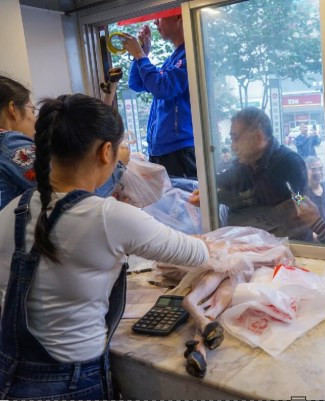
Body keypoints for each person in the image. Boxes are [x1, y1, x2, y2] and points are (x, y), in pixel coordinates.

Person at [0, 94, 209, 399]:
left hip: (12, 379)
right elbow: (198, 254)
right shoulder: (108, 216)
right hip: (72, 382)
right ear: (106, 151)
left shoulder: (11, 211)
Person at [0, 75, 128, 210]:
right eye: (32, 110)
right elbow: (70, 197)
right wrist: (118, 163)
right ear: (13, 109)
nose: (34, 119)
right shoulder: (10, 144)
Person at [216, 107, 312, 240]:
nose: (233, 147)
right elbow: (219, 182)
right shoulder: (244, 164)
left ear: (259, 137)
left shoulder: (289, 162)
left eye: (236, 139)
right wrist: (207, 193)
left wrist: (296, 199)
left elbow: (303, 202)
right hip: (248, 243)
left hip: (288, 246)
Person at [122, 9, 196, 178]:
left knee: (185, 201)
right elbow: (137, 83)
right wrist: (143, 53)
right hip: (162, 149)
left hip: (180, 149)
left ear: (179, 16)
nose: (155, 22)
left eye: (160, 16)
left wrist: (140, 55)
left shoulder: (189, 55)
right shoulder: (174, 58)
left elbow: (162, 88)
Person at [304, 155, 325, 224]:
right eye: (313, 169)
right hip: (316, 233)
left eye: (320, 168)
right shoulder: (300, 195)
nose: (318, 173)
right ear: (305, 171)